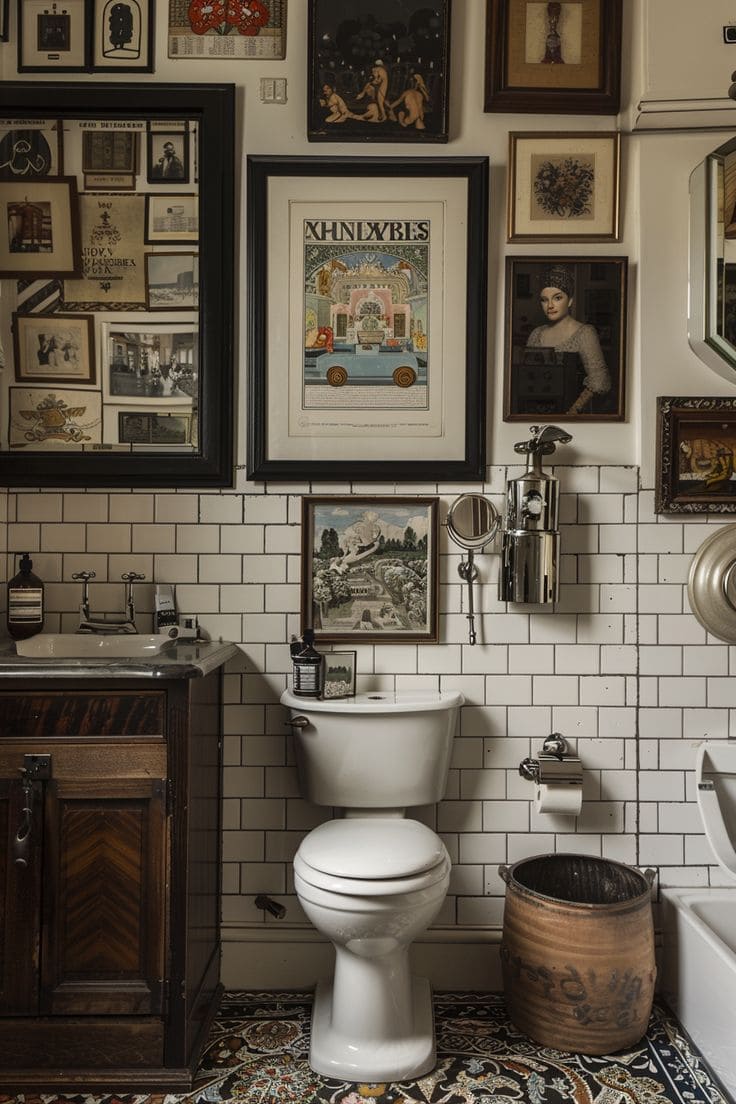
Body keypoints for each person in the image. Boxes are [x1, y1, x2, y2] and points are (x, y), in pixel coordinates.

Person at [525, 265, 611, 415]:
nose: (550, 306)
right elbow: (527, 379)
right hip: (536, 415)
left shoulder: (585, 333)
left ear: (570, 300)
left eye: (557, 298)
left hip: (571, 416)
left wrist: (573, 411)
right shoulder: (536, 334)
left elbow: (600, 381)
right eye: (544, 300)